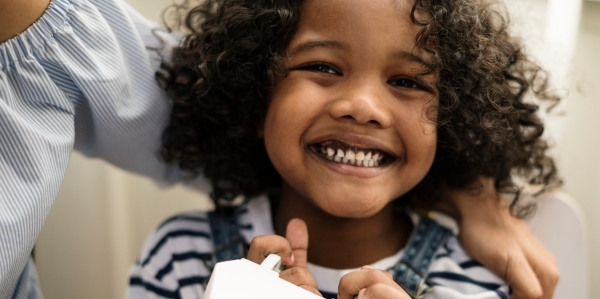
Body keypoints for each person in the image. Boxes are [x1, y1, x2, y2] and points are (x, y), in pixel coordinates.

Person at [0, 0, 559, 298]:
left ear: (456, 118)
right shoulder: (180, 256)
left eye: (408, 81)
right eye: (321, 66)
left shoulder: (475, 279)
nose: (362, 106)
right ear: (254, 88)